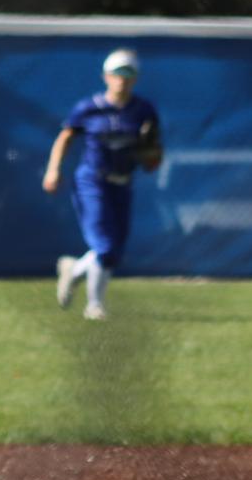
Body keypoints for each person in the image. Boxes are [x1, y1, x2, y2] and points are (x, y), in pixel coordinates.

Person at [44, 47, 163, 321]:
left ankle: (73, 271)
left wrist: (151, 153)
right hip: (93, 181)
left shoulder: (143, 110)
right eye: (117, 73)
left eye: (128, 74)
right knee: (104, 246)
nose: (122, 79)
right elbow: (65, 137)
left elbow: (153, 157)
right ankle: (94, 305)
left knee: (113, 253)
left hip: (123, 183)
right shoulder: (89, 108)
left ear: (136, 78)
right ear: (105, 76)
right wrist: (53, 170)